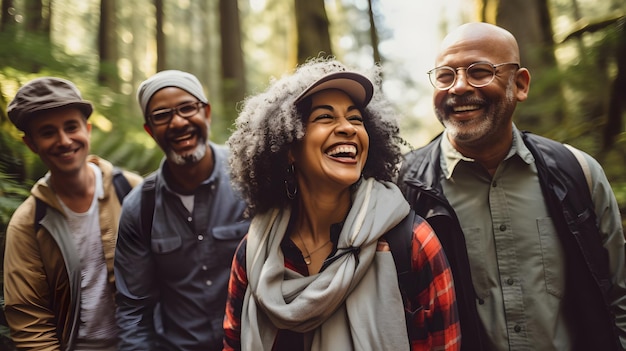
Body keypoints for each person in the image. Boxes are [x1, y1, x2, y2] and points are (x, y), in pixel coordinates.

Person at [396, 22, 626, 351]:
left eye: (479, 71)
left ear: (520, 84)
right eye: (446, 75)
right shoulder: (403, 189)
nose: (459, 87)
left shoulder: (579, 173)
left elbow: (620, 296)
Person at [223, 58, 461, 351]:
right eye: (325, 117)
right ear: (287, 148)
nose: (348, 128)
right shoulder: (254, 254)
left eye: (356, 119)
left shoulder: (411, 244)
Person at [3, 77, 143, 350]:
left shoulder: (132, 191)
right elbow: (30, 322)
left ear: (87, 129)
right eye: (47, 132)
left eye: (71, 127)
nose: (64, 141)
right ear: (31, 143)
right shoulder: (28, 224)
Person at [114, 70, 250, 351]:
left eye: (187, 108)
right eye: (162, 115)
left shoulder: (250, 177)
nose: (178, 122)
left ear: (207, 112)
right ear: (150, 130)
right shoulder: (139, 207)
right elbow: (133, 309)